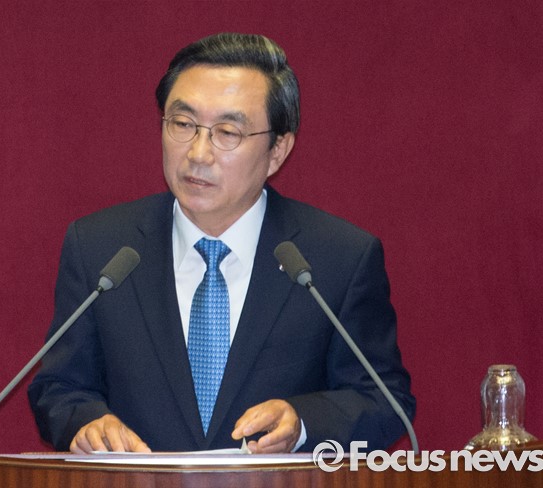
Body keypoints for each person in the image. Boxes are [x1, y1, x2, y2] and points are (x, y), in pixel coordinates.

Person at [28, 32, 415, 454]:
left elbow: (384, 399)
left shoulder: (338, 258)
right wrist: (87, 423)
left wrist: (303, 423)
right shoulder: (101, 248)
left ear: (278, 150)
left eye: (227, 132)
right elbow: (59, 387)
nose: (198, 153)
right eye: (183, 125)